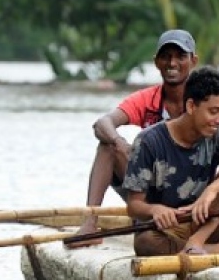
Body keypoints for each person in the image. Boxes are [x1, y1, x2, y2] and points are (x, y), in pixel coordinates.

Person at [122, 66, 219, 256]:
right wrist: (155, 210)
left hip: (208, 220)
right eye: (214, 111)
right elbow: (134, 206)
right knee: (146, 244)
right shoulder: (149, 141)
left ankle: (198, 242)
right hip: (169, 228)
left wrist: (211, 190)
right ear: (191, 106)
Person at [71, 29, 199, 244]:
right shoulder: (148, 98)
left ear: (193, 61)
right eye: (166, 57)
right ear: (156, 62)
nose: (172, 63)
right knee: (108, 147)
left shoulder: (203, 99)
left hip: (189, 188)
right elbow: (103, 123)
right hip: (151, 187)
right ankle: (90, 223)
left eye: (180, 57)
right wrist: (120, 143)